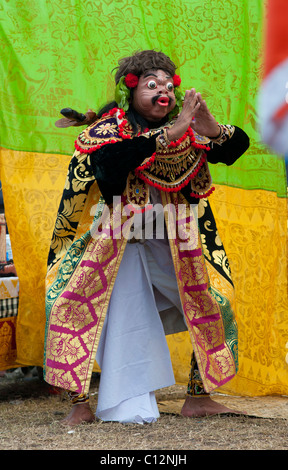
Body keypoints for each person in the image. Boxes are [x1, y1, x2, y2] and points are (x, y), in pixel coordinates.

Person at [44, 50, 250, 426]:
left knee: (217, 303)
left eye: (170, 87)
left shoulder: (188, 132)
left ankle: (198, 397)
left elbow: (236, 149)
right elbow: (108, 168)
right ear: (132, 87)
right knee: (73, 309)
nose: (165, 93)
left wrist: (211, 127)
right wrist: (169, 132)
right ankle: (80, 403)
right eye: (154, 85)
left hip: (173, 241)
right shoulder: (111, 129)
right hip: (117, 243)